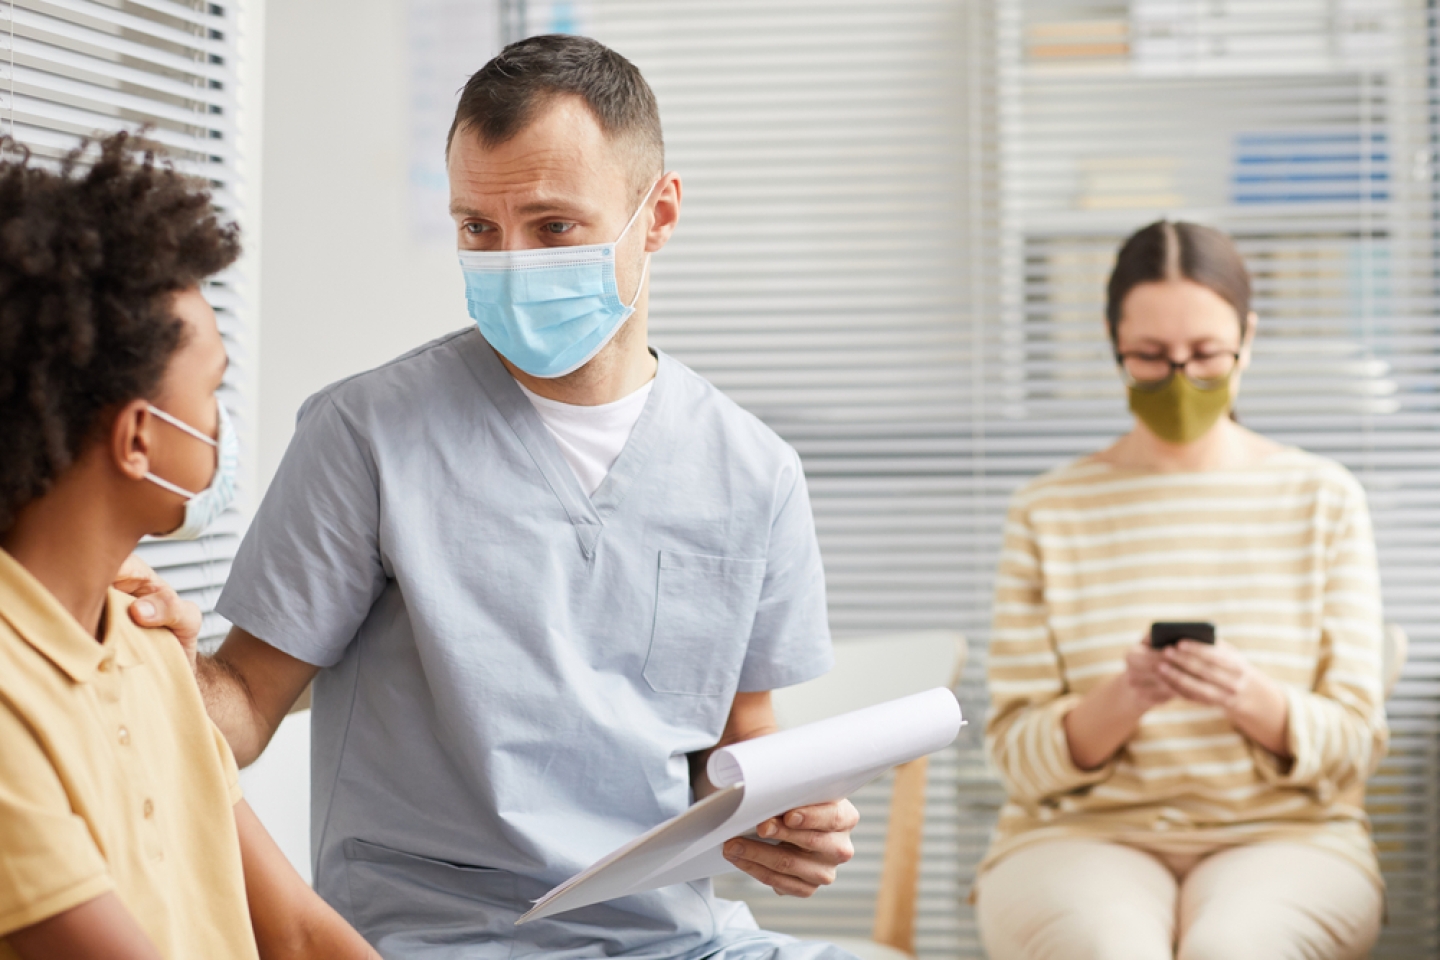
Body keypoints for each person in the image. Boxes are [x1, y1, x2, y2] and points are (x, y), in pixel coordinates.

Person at [122, 35, 860, 960]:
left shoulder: (754, 471)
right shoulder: (366, 434)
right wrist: (155, 667)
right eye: (479, 228)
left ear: (658, 214)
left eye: (552, 227)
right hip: (435, 937)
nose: (511, 263)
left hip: (676, 940)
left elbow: (737, 745)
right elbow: (246, 705)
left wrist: (775, 816)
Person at [0, 133, 379, 959]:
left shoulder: (141, 643)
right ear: (140, 438)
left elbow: (304, 936)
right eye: (212, 390)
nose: (221, 425)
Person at [975, 221, 1387, 960]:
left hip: (1289, 836)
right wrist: (1125, 698)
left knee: (1235, 948)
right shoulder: (1048, 509)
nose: (1181, 380)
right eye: (1151, 358)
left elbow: (1355, 745)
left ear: (1247, 338)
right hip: (1077, 836)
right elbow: (1015, 754)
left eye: (1205, 356)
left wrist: (1251, 699)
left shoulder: (1322, 498)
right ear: (1114, 346)